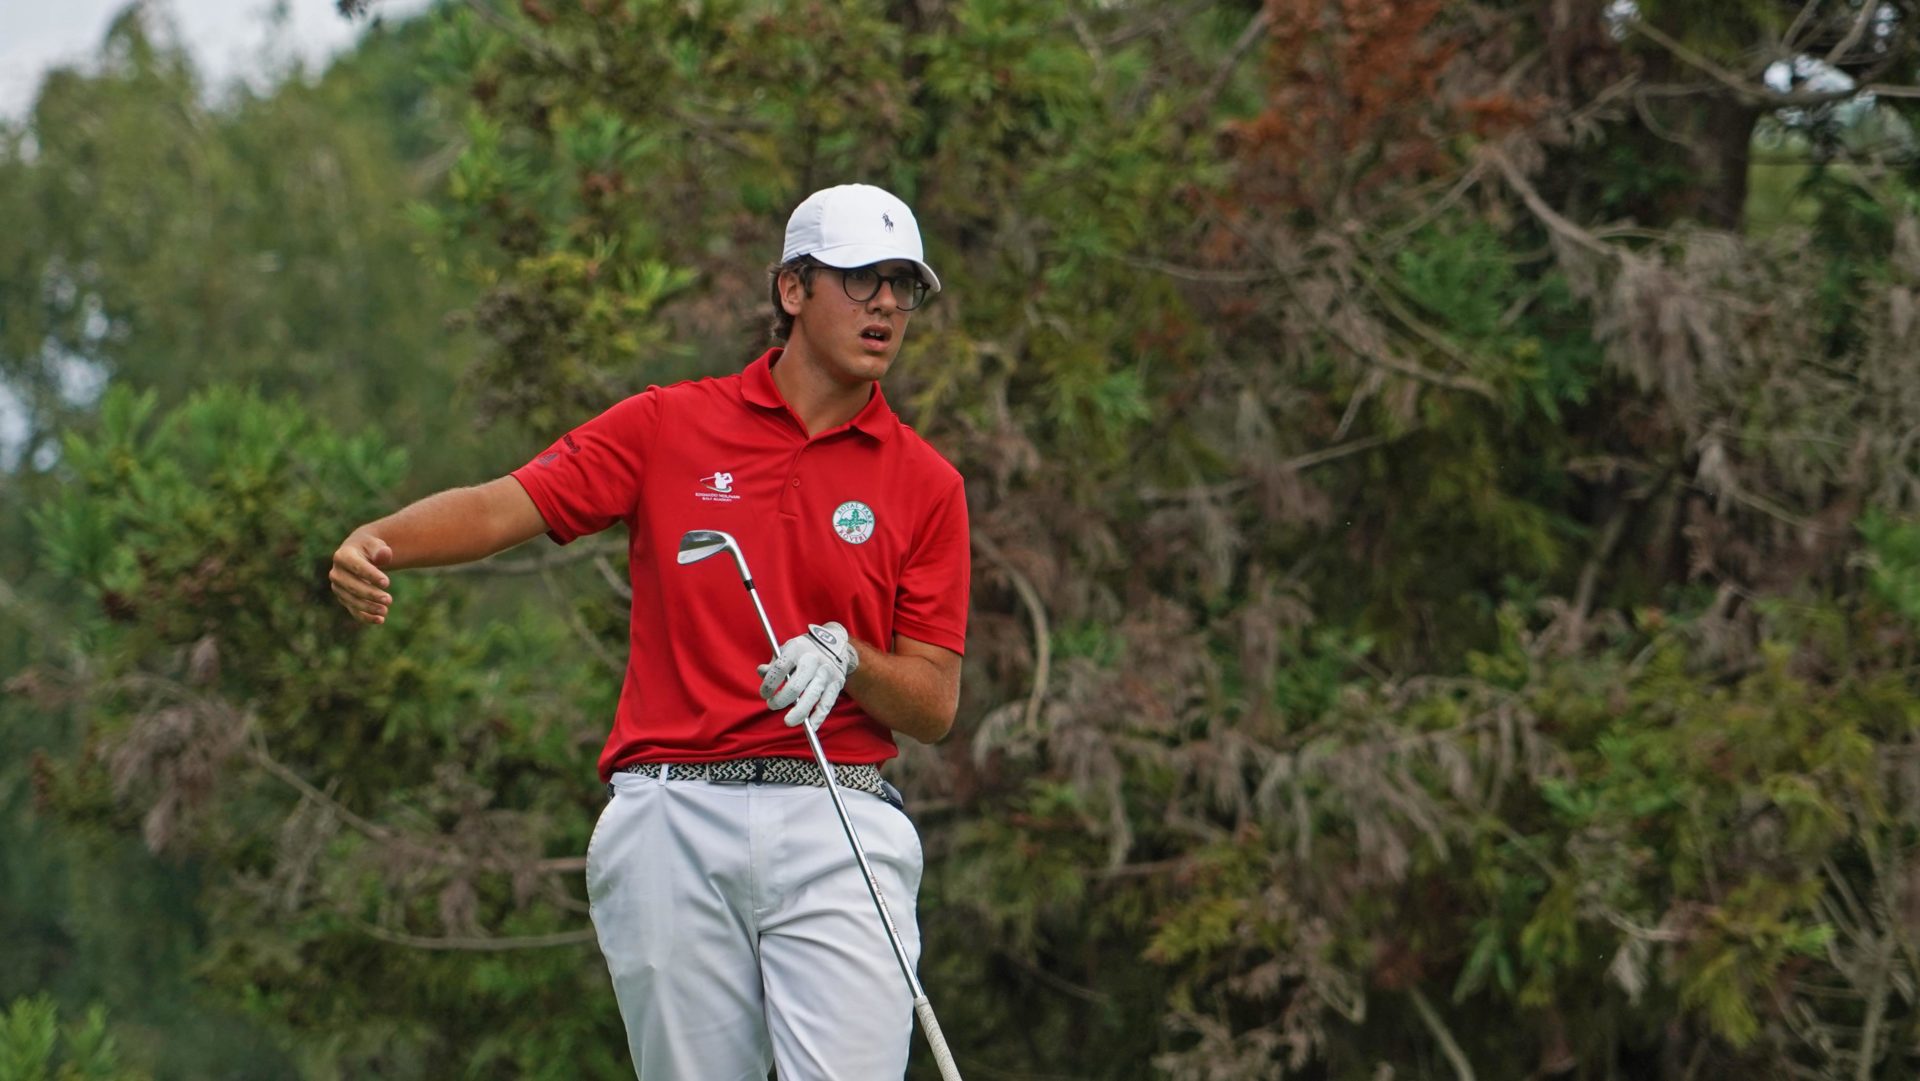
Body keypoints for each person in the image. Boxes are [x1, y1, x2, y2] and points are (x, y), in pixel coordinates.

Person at [328, 183, 970, 1079]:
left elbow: (934, 702)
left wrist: (849, 657)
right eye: (863, 279)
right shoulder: (670, 423)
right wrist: (380, 539)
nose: (888, 305)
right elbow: (504, 504)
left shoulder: (926, 483)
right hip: (674, 814)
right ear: (793, 289)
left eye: (904, 286)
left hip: (840, 817)